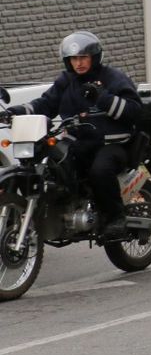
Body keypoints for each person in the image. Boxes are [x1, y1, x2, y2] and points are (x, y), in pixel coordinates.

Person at [5, 32, 142, 240]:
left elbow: (134, 111)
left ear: (94, 57)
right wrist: (12, 112)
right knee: (54, 165)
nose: (78, 63)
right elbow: (45, 105)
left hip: (112, 143)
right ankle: (61, 208)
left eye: (83, 58)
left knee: (100, 171)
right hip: (80, 142)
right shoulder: (66, 81)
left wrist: (102, 98)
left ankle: (116, 217)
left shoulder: (113, 78)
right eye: (74, 59)